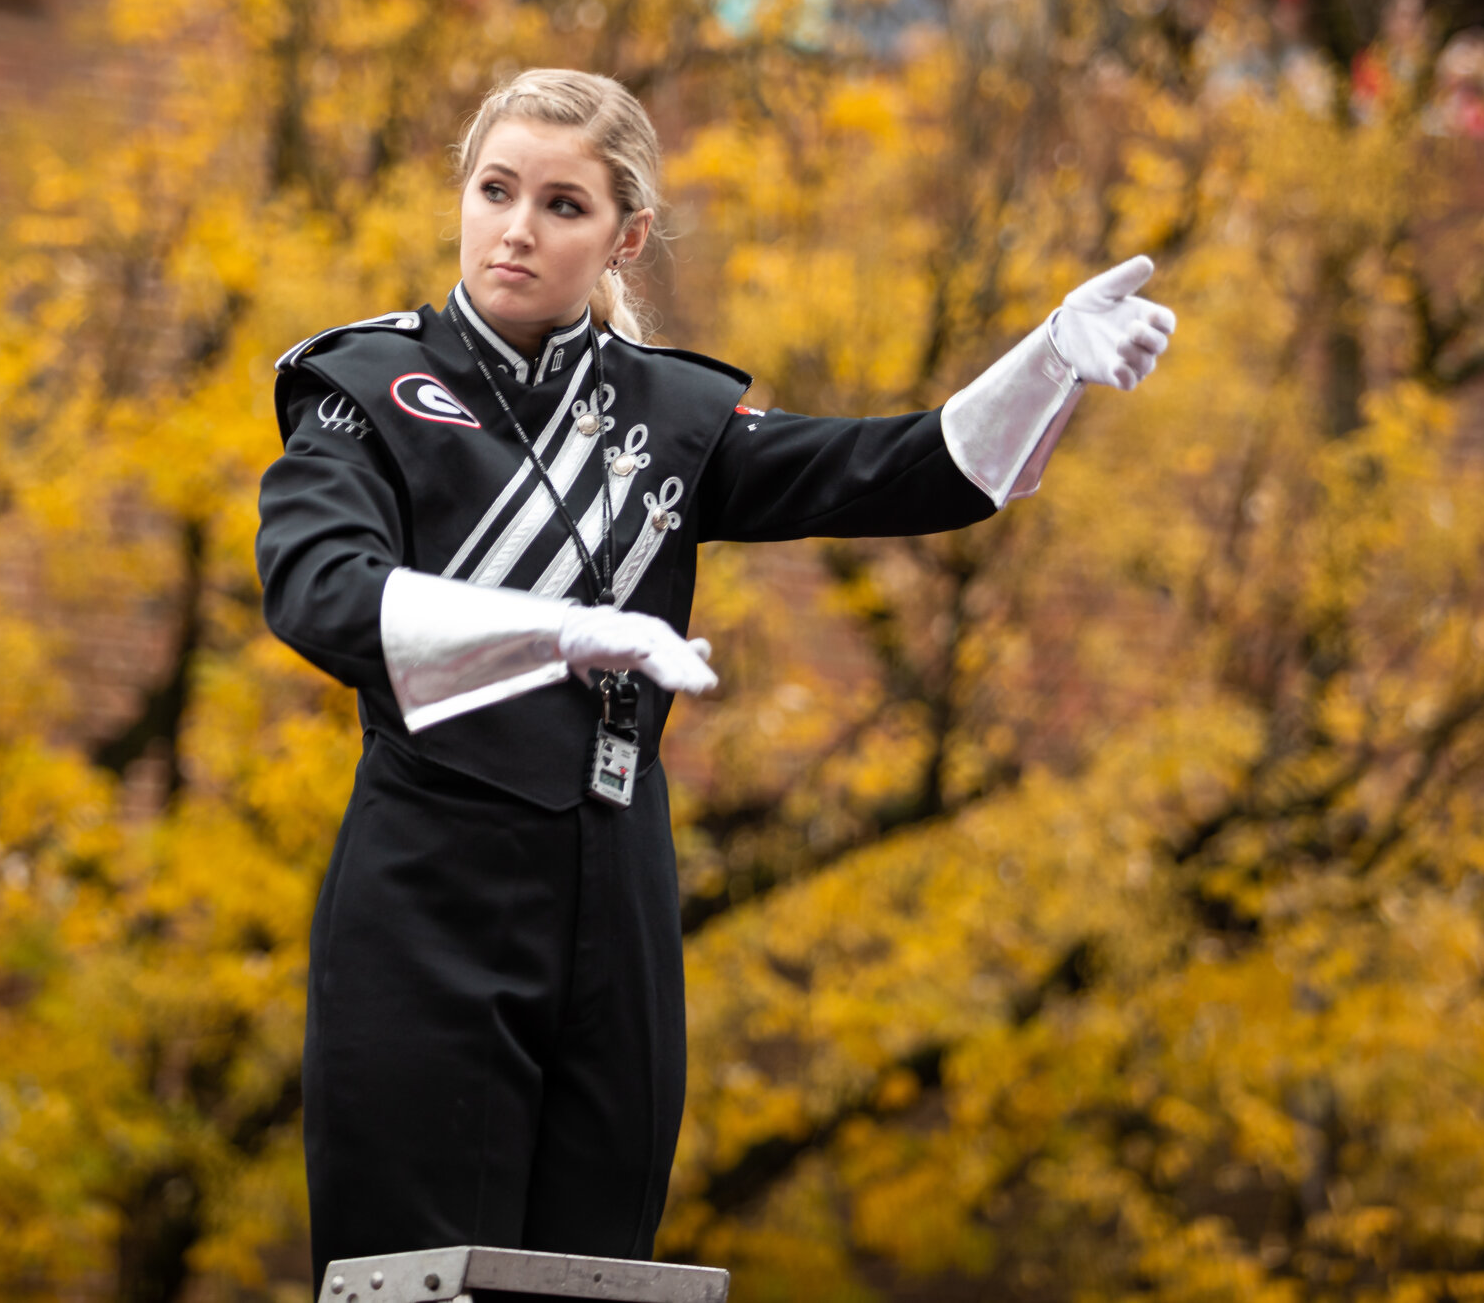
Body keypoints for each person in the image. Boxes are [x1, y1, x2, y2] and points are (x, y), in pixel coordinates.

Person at [256, 69, 1176, 1277]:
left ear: (625, 234)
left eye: (562, 204)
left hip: (618, 881)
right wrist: (559, 632)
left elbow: (893, 467)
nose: (517, 228)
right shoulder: (366, 387)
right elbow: (319, 587)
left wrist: (1048, 358)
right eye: (494, 190)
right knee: (423, 1273)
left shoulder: (671, 413)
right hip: (431, 880)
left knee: (600, 1274)